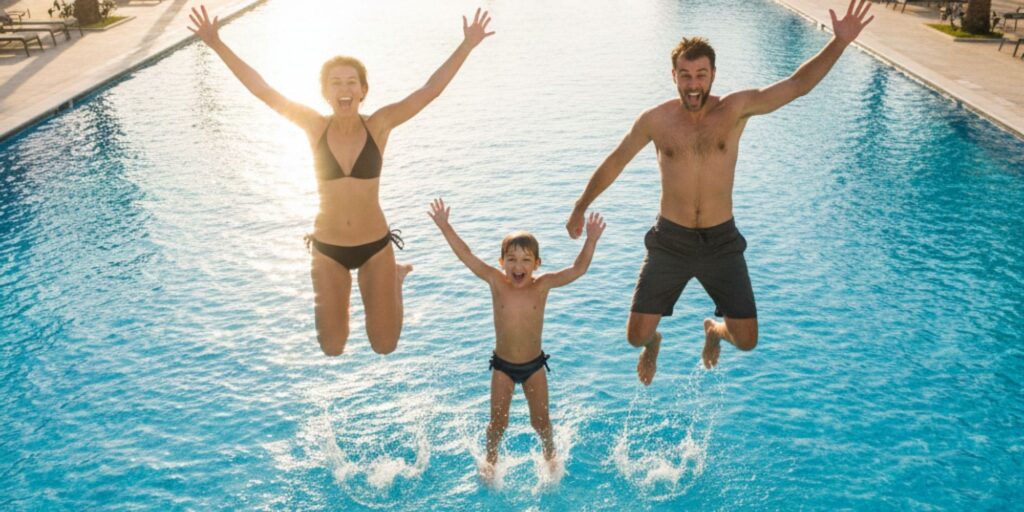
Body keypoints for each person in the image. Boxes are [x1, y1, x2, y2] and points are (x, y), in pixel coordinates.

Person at [565, 0, 874, 381]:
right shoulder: (655, 121)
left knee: (746, 340)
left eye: (700, 74)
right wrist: (581, 206)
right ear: (673, 76)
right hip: (670, 241)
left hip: (721, 241)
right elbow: (616, 161)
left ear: (712, 74)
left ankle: (715, 329)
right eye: (685, 75)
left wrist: (839, 43)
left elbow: (797, 86)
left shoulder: (735, 110)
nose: (693, 84)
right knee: (636, 336)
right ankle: (654, 343)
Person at [188, 5, 494, 356]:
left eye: (352, 82)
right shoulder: (313, 126)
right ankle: (375, 284)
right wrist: (217, 44)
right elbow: (263, 90)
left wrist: (466, 45)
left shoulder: (378, 125)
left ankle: (394, 276)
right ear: (325, 93)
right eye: (336, 82)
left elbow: (429, 91)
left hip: (376, 246)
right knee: (332, 346)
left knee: (385, 345)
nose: (344, 88)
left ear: (363, 91)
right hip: (328, 249)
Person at [428, 198, 605, 482]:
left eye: (525, 260)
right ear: (502, 263)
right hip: (503, 367)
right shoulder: (496, 281)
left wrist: (591, 239)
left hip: (534, 366)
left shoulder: (543, 284)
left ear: (536, 263)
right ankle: (491, 461)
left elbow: (578, 269)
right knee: (498, 423)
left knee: (541, 422)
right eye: (511, 259)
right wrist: (445, 226)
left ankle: (550, 456)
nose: (518, 266)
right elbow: (467, 255)